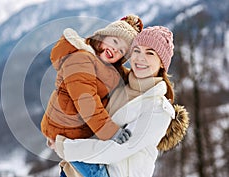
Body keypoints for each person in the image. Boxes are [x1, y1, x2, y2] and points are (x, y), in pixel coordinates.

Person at [53, 26, 190, 177]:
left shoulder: (159, 110)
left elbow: (118, 149)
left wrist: (66, 147)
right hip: (72, 171)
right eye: (136, 50)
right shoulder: (117, 83)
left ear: (162, 63)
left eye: (150, 53)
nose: (140, 58)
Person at [40, 14, 143, 176]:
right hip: (67, 129)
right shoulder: (81, 59)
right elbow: (87, 102)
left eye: (121, 50)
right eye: (115, 41)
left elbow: (128, 77)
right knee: (96, 173)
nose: (116, 49)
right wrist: (111, 132)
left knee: (73, 172)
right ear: (101, 38)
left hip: (79, 130)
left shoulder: (106, 66)